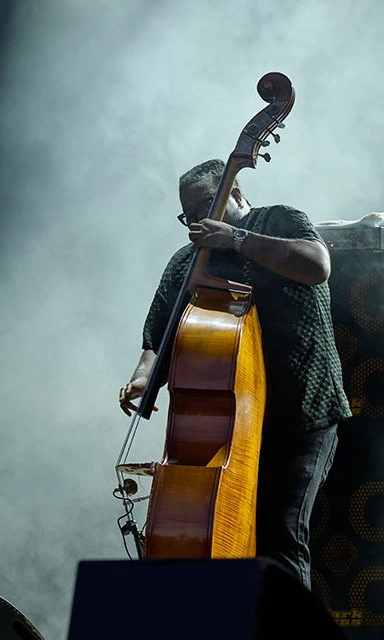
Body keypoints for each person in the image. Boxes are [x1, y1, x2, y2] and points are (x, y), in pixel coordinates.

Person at [118, 159, 351, 589]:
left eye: (209, 203)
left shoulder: (279, 220)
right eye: (190, 213)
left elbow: (317, 265)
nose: (199, 219)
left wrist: (238, 238)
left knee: (280, 535)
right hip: (233, 427)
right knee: (225, 538)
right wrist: (141, 376)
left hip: (303, 414)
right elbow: (159, 334)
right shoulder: (187, 263)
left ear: (238, 194)